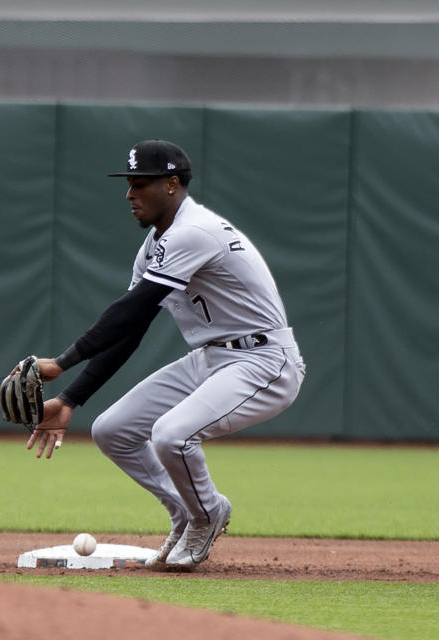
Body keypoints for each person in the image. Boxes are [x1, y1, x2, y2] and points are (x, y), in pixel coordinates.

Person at [21, 140, 305, 570]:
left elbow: (130, 309)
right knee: (112, 430)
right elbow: (130, 330)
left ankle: (207, 514)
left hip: (263, 361)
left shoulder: (194, 231)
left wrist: (61, 363)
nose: (130, 194)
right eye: (129, 184)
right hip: (212, 359)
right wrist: (69, 399)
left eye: (141, 184)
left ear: (172, 185)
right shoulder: (156, 245)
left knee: (171, 435)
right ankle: (187, 512)